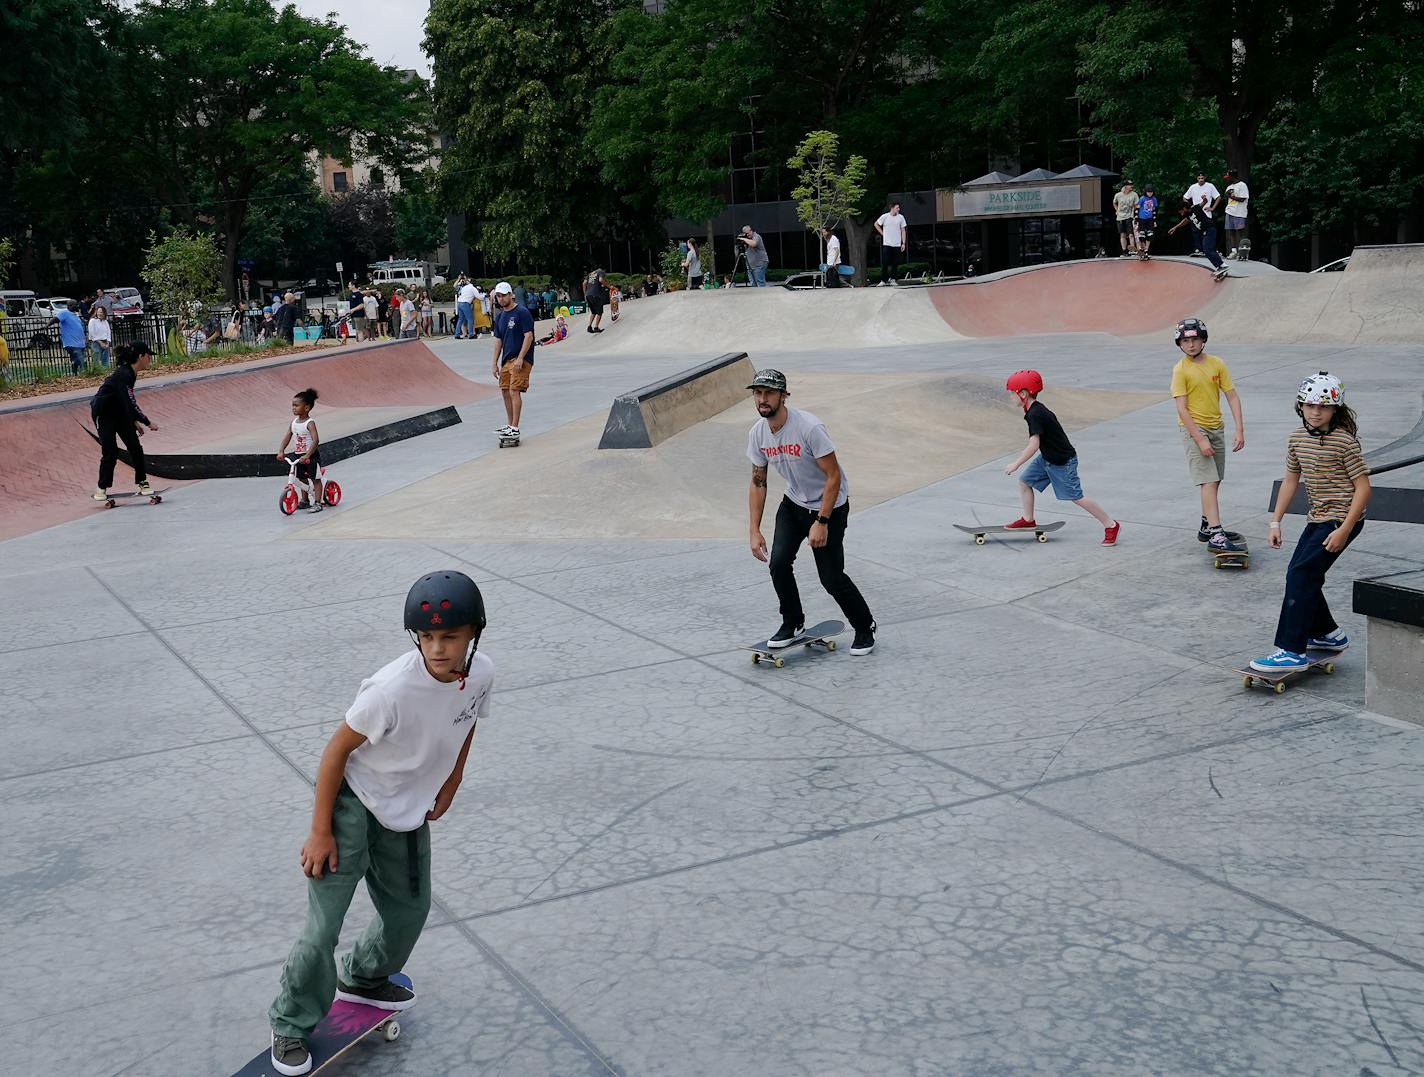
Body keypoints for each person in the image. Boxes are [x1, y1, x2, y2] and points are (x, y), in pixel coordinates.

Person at [266, 570, 493, 1077]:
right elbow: (334, 753)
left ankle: (364, 977)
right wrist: (320, 830)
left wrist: (452, 780)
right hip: (352, 805)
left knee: (410, 909)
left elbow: (468, 718)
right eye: (427, 637)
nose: (437, 648)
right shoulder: (388, 691)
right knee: (324, 925)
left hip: (407, 809)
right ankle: (289, 1021)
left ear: (473, 635)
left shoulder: (480, 674)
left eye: (450, 637)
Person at [746, 368, 877, 656]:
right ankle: (792, 623)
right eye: (758, 393)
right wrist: (754, 530)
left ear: (784, 396)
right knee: (778, 564)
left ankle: (865, 626)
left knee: (831, 578)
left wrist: (822, 521)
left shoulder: (809, 428)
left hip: (830, 506)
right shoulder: (758, 434)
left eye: (768, 393)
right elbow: (758, 481)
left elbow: (833, 477)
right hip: (793, 505)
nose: (762, 399)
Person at [1250, 373, 1370, 673]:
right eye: (1309, 405)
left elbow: (1364, 488)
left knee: (1301, 575)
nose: (1316, 412)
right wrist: (1275, 522)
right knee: (1299, 575)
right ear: (1300, 407)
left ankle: (1291, 650)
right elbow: (1291, 481)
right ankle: (1328, 634)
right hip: (1318, 518)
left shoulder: (1344, 443)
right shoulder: (1296, 440)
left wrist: (1344, 529)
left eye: (1324, 407)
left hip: (1342, 519)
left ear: (1335, 409)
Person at [1002, 370, 1122, 545]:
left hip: (1062, 461)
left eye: (1012, 392)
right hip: (1048, 458)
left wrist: (1016, 463)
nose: (1011, 396)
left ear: (1023, 393)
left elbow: (1034, 444)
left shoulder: (1036, 414)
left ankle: (1110, 525)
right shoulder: (1034, 410)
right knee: (1024, 482)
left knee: (1076, 497)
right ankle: (1028, 520)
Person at [1170, 317, 1246, 553]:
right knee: (1209, 481)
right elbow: (1181, 409)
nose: (1190, 345)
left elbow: (1231, 395)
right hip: (1194, 430)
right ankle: (1215, 533)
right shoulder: (1180, 369)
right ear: (1180, 344)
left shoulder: (1217, 364)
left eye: (1194, 339)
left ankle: (1206, 524)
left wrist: (1239, 428)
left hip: (1216, 427)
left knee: (1216, 479)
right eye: (1185, 341)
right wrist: (1200, 439)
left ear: (1203, 340)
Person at [91, 341, 159, 501]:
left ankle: (142, 482)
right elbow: (130, 402)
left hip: (120, 412)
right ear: (141, 356)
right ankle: (101, 488)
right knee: (110, 451)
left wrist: (133, 422)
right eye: (148, 356)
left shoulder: (130, 373)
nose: (150, 359)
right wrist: (147, 422)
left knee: (135, 447)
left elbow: (124, 401)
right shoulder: (124, 374)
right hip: (104, 414)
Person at [491, 281, 534, 439]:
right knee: (505, 391)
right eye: (498, 296)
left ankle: (515, 427)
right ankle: (510, 425)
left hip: (521, 358)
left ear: (511, 295)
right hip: (506, 360)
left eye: (503, 295)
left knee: (514, 390)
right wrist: (494, 363)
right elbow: (498, 341)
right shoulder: (500, 317)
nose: (501, 299)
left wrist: (521, 358)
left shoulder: (522, 312)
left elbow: (528, 336)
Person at [275, 387, 324, 513]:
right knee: (302, 478)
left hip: (310, 456)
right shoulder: (294, 422)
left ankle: (318, 503)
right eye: (292, 405)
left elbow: (315, 440)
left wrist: (308, 455)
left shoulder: (309, 422)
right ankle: (305, 501)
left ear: (306, 408)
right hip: (298, 456)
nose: (293, 408)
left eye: (296, 405)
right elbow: (287, 436)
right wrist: (281, 450)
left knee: (315, 479)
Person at [1167, 198, 1229, 280]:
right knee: (1207, 250)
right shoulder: (1189, 215)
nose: (1181, 214)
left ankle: (1223, 265)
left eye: (1181, 212)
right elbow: (1185, 221)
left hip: (1209, 229)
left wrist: (1205, 200)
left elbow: (1203, 203)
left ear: (1185, 208)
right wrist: (1175, 227)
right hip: (1205, 232)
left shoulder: (1195, 208)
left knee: (1208, 250)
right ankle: (1219, 266)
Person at [1181, 170, 1220, 256]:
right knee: (1195, 231)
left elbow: (1218, 197)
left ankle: (1209, 249)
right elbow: (1185, 197)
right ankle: (1198, 249)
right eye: (1199, 178)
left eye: (1202, 178)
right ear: (1196, 178)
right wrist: (1190, 207)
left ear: (1205, 178)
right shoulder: (1193, 187)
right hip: (1196, 212)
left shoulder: (1210, 186)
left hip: (1206, 213)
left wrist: (1212, 208)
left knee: (1207, 231)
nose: (1201, 180)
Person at [874, 201, 908, 285]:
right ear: (892, 208)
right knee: (885, 262)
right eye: (897, 208)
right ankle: (883, 280)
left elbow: (903, 230)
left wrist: (903, 243)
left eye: (898, 208)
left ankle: (893, 279)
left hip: (897, 244)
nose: (898, 209)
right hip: (887, 243)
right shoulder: (885, 216)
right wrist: (882, 233)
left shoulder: (901, 217)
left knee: (895, 262)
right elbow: (876, 224)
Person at [1223, 169, 1250, 257]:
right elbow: (1226, 196)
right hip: (1229, 211)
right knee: (1231, 231)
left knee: (1240, 231)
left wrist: (1231, 196)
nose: (1227, 179)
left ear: (1232, 176)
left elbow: (1243, 199)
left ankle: (1241, 250)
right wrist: (1227, 195)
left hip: (1239, 212)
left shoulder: (1242, 185)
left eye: (1228, 177)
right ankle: (1233, 251)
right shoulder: (1229, 186)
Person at [57, 300, 87, 375]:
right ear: (71, 306)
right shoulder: (64, 313)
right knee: (80, 359)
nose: (78, 306)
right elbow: (55, 319)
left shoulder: (75, 315)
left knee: (76, 359)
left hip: (80, 343)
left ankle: (75, 374)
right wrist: (47, 325)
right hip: (71, 343)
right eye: (76, 305)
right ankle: (85, 374)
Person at [1113, 181, 1139, 256]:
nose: (1132, 186)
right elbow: (1114, 202)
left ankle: (1133, 251)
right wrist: (1117, 210)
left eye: (1132, 185)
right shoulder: (1118, 195)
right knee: (1122, 235)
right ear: (1125, 186)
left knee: (1131, 234)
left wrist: (1136, 212)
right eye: (1130, 185)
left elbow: (1136, 205)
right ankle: (1124, 251)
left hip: (1130, 216)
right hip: (1120, 217)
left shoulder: (1134, 194)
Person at [1135, 184, 1159, 259]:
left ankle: (1146, 251)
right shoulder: (1142, 198)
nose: (1150, 194)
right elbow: (1137, 209)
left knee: (1150, 235)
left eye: (1151, 192)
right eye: (1148, 192)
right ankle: (1143, 250)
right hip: (1142, 219)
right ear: (1145, 192)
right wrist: (1136, 221)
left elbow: (1154, 210)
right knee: (1142, 236)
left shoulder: (1154, 199)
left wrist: (1154, 221)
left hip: (1150, 219)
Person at [584, 268, 609, 333]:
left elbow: (584, 283)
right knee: (599, 312)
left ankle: (589, 327)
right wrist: (609, 286)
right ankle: (596, 327)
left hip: (588, 295)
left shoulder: (590, 274)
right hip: (595, 295)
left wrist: (585, 293)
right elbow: (600, 280)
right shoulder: (601, 272)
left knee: (593, 312)